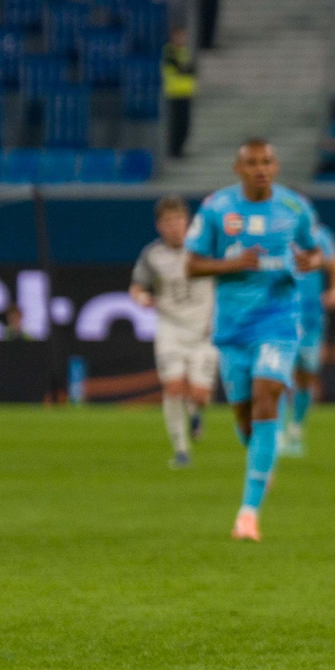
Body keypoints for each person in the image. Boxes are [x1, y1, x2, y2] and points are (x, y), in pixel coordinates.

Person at [184, 140, 326, 540]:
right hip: (232, 330)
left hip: (280, 321)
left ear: (275, 165)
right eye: (251, 163)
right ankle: (263, 462)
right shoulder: (216, 209)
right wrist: (232, 264)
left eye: (266, 161)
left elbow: (316, 254)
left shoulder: (295, 207)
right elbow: (191, 264)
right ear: (238, 168)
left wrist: (306, 261)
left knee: (267, 396)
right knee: (246, 419)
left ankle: (247, 515)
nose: (260, 168)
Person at [129, 196, 215, 468]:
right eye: (167, 222)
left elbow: (227, 281)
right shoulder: (152, 255)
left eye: (178, 220)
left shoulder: (206, 249)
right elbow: (136, 286)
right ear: (158, 226)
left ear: (187, 221)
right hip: (170, 329)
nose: (174, 227)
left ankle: (196, 412)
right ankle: (181, 450)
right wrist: (141, 297)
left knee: (200, 395)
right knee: (173, 387)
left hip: (203, 331)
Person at [282, 220, 335, 458]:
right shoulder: (275, 233)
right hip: (280, 314)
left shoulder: (319, 235)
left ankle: (296, 428)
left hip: (311, 316)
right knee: (278, 372)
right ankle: (277, 432)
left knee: (306, 375)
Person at [161, 25, 197, 158]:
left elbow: (189, 71)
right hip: (173, 93)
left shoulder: (184, 52)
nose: (182, 39)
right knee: (174, 124)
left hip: (186, 93)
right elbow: (177, 69)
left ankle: (179, 149)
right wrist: (184, 69)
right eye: (179, 36)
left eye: (183, 36)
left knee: (185, 124)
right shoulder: (168, 52)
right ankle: (172, 150)